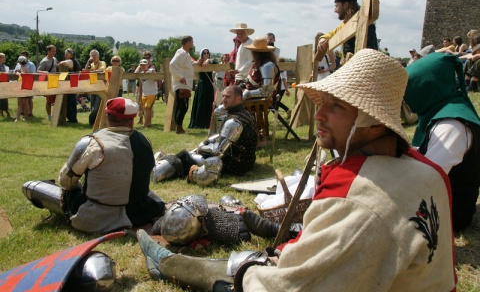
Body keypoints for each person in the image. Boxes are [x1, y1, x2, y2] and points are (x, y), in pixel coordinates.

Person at [137, 49, 456, 292]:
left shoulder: (357, 194)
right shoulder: (429, 172)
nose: (319, 115)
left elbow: (292, 285)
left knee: (251, 273)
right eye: (322, 102)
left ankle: (170, 264)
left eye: (336, 106)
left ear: (373, 124)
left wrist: (250, 273)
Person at [22, 97, 166, 233]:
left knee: (54, 189)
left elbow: (65, 181)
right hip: (139, 213)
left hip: (97, 217)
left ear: (106, 117)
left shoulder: (93, 143)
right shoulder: (145, 141)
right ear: (131, 121)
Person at [404, 52, 480, 232]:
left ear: (426, 89)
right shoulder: (441, 110)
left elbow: (426, 180)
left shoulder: (451, 125)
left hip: (447, 215)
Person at [152, 85, 258, 186]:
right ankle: (164, 163)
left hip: (236, 164)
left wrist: (201, 147)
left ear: (238, 99)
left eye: (228, 97)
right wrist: (208, 143)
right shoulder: (245, 114)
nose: (224, 99)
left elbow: (218, 153)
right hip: (243, 160)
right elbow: (223, 138)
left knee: (187, 157)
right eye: (224, 96)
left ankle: (157, 172)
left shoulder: (234, 122)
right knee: (191, 154)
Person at [317, 0, 378, 64]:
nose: (335, 10)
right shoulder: (345, 24)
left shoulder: (362, 20)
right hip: (351, 66)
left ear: (345, 5)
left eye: (337, 6)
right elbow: (333, 33)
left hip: (363, 65)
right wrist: (323, 38)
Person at [242, 36, 280, 101]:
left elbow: (266, 91)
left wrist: (246, 94)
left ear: (256, 53)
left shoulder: (267, 66)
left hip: (256, 99)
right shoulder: (258, 64)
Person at [169, 35, 194, 134]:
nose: (192, 44)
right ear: (188, 43)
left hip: (183, 83)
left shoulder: (185, 54)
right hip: (182, 84)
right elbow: (172, 64)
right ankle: (178, 127)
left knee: (181, 105)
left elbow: (185, 66)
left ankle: (178, 126)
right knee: (183, 106)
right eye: (191, 42)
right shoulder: (182, 53)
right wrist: (180, 77)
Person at [189, 48, 216, 129]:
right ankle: (199, 123)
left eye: (208, 52)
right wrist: (196, 62)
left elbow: (216, 62)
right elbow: (191, 64)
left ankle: (208, 123)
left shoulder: (211, 62)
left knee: (209, 103)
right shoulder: (198, 62)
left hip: (209, 85)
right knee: (201, 104)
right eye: (204, 53)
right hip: (202, 85)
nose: (206, 54)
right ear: (202, 54)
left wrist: (209, 61)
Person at [83, 49, 107, 125]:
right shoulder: (91, 64)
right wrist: (88, 62)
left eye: (94, 55)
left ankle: (92, 121)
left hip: (100, 88)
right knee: (92, 106)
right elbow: (86, 71)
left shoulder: (102, 63)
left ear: (98, 56)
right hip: (92, 88)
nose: (93, 57)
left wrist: (91, 72)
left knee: (96, 107)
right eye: (92, 55)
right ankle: (93, 123)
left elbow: (101, 70)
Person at [58, 48, 81, 123]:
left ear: (70, 54)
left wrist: (59, 63)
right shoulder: (76, 61)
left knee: (68, 102)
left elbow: (63, 63)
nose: (65, 55)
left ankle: (72, 119)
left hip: (70, 84)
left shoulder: (71, 61)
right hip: (73, 84)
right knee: (72, 102)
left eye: (66, 54)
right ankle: (73, 118)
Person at [37, 44, 58, 121]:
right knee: (49, 100)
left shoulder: (54, 59)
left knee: (56, 99)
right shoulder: (44, 61)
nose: (54, 52)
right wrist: (45, 72)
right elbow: (38, 71)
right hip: (48, 82)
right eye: (53, 51)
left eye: (55, 51)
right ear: (48, 51)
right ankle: (49, 116)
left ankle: (55, 114)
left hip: (55, 80)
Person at [135, 51, 156, 125]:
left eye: (148, 57)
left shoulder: (152, 67)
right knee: (140, 103)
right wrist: (140, 65)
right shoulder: (141, 65)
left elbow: (153, 72)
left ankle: (147, 122)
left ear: (150, 58)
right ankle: (141, 118)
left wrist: (146, 68)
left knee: (148, 107)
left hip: (149, 89)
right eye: (144, 57)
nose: (146, 59)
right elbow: (135, 73)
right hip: (141, 87)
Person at [13, 51, 36, 116]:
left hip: (26, 84)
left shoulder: (30, 65)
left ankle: (28, 113)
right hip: (21, 84)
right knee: (22, 101)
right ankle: (23, 113)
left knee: (27, 100)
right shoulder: (21, 66)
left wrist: (17, 73)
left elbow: (25, 74)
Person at [139, 58, 157, 128]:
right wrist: (141, 94)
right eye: (141, 65)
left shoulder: (151, 70)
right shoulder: (140, 74)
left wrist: (150, 73)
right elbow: (141, 85)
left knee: (147, 108)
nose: (143, 66)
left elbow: (156, 77)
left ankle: (145, 124)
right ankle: (149, 123)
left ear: (147, 65)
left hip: (152, 93)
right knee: (146, 108)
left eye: (144, 65)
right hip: (144, 93)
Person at [14, 56, 31, 122]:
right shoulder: (22, 67)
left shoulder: (24, 68)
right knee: (20, 103)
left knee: (24, 102)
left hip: (24, 86)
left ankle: (25, 117)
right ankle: (18, 118)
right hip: (21, 86)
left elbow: (23, 75)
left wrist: (18, 74)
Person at [0, 52, 11, 118]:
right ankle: (3, 111)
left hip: (5, 83)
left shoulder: (4, 66)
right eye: (3, 57)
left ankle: (4, 110)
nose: (5, 58)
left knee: (5, 98)